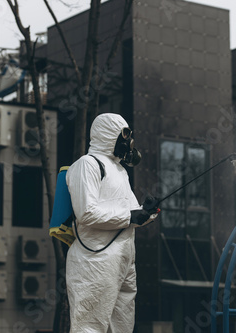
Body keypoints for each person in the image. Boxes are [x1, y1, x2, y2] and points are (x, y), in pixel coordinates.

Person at [66, 113, 158, 332]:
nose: (127, 142)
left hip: (124, 260)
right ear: (108, 135)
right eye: (124, 136)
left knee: (122, 326)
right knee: (89, 326)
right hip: (95, 262)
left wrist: (147, 213)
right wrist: (129, 216)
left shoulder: (120, 171)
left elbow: (131, 215)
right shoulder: (87, 165)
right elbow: (86, 213)